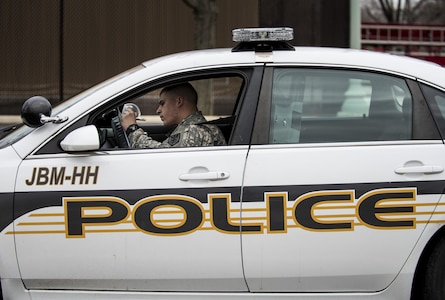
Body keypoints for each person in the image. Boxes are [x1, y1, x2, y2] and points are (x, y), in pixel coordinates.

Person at [120, 82, 227, 148]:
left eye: (162, 104)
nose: (158, 110)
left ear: (179, 101)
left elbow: (159, 156)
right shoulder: (207, 128)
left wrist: (132, 129)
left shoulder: (191, 132)